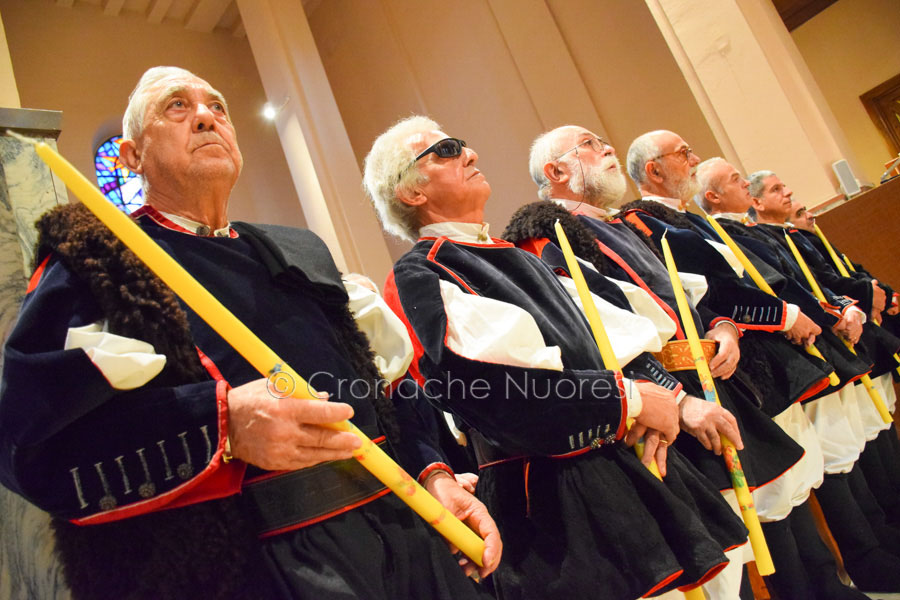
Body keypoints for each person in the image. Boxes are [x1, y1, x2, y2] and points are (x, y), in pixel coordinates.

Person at [0, 67, 500, 599]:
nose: (205, 117)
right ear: (131, 156)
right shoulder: (100, 262)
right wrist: (224, 423)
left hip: (408, 537)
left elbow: (388, 388)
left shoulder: (299, 249)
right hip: (265, 568)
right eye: (176, 107)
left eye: (217, 106)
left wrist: (435, 476)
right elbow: (30, 442)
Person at [364, 115, 748, 600]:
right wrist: (626, 402)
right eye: (446, 149)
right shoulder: (423, 272)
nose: (471, 153)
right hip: (556, 495)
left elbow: (614, 342)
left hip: (623, 459)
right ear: (412, 192)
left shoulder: (520, 256)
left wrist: (668, 401)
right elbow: (498, 396)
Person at [504, 124, 838, 599]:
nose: (608, 149)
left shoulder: (617, 222)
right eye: (591, 145)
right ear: (556, 171)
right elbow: (596, 336)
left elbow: (681, 296)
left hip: (706, 380)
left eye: (604, 141)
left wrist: (725, 325)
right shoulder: (546, 237)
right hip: (666, 406)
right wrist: (677, 399)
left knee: (773, 517)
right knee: (725, 563)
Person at [617, 136, 900, 595]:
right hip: (744, 365)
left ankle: (840, 574)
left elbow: (766, 277)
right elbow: (712, 290)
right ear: (653, 170)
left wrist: (828, 308)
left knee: (807, 472)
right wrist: (784, 315)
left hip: (774, 351)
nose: (692, 159)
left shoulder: (689, 219)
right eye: (683, 153)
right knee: (778, 489)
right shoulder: (642, 221)